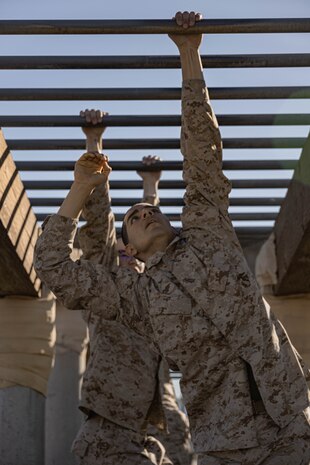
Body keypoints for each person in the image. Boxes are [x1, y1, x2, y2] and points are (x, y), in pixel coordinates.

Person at [34, 11, 310, 465]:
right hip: (226, 444)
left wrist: (189, 53)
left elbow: (202, 150)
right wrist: (81, 189)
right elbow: (54, 268)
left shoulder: (210, 236)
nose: (145, 211)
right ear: (128, 248)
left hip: (290, 422)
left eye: (151, 208)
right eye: (135, 217)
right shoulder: (136, 296)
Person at [71, 110, 194, 465]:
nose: (142, 222)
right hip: (114, 412)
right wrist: (94, 142)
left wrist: (151, 186)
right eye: (131, 224)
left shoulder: (157, 279)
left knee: (185, 451)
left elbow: (150, 234)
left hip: (158, 408)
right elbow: (100, 219)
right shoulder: (107, 280)